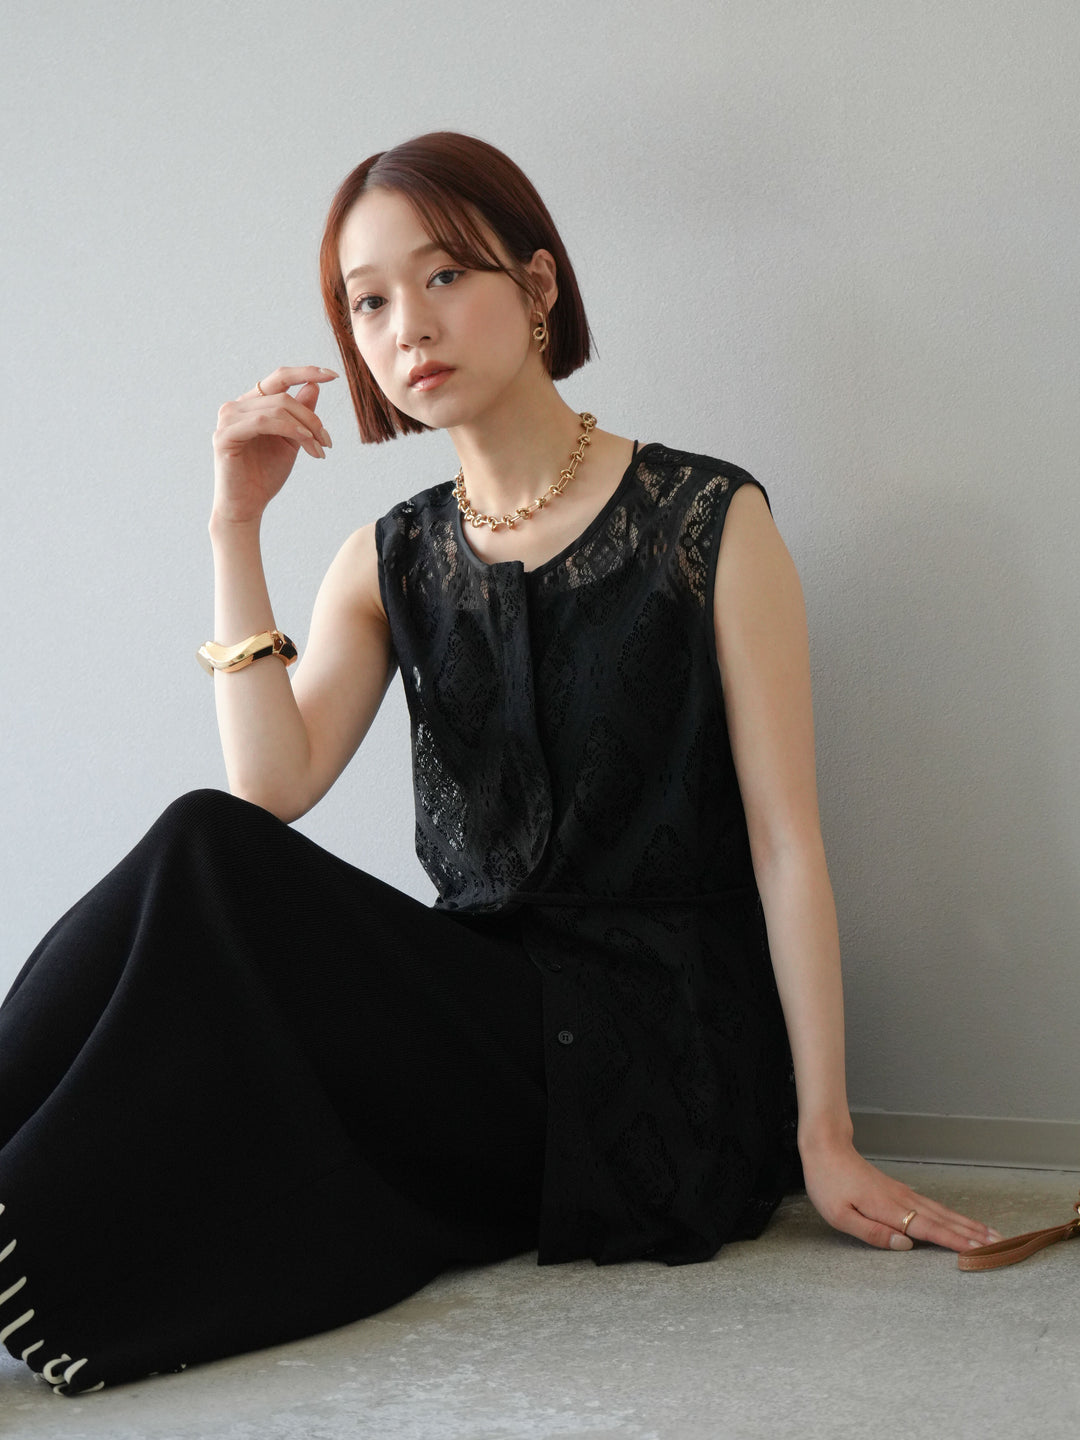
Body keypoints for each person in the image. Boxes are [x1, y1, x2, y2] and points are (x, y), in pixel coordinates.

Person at [0, 131, 1000, 1398]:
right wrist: (233, 524)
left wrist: (828, 1138)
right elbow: (267, 793)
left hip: (658, 1053)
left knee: (207, 878)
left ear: (536, 287)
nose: (407, 326)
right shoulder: (389, 557)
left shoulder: (707, 521)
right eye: (368, 303)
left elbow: (787, 846)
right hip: (481, 1026)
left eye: (441, 277)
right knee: (208, 865)